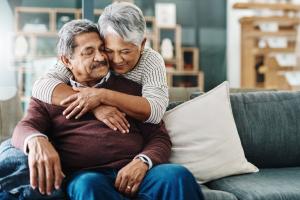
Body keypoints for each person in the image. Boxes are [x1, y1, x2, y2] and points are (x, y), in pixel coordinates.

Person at [12, 19, 204, 200]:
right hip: (88, 175)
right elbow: (24, 127)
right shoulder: (49, 96)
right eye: (88, 52)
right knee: (88, 185)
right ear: (67, 61)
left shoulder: (130, 89)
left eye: (102, 49)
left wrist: (143, 161)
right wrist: (36, 140)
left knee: (177, 175)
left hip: (139, 173)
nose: (101, 57)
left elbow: (159, 136)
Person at [32, 2, 168, 133]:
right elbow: (41, 86)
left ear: (142, 44)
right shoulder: (95, 58)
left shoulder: (151, 61)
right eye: (108, 50)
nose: (116, 60)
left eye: (125, 52)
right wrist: (96, 106)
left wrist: (102, 96)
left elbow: (155, 112)